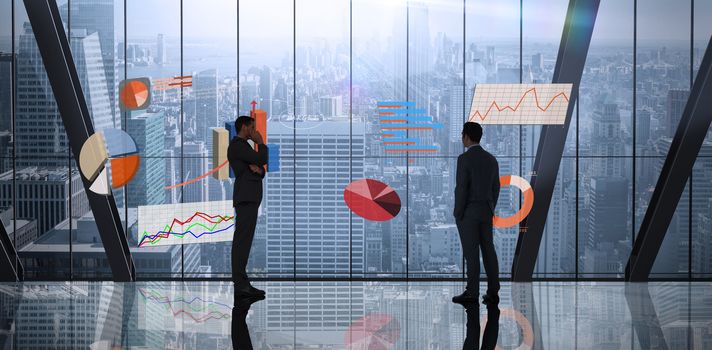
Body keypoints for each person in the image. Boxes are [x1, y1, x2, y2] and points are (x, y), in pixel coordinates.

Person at [452, 122, 500, 305]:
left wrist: (458, 212)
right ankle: (493, 292)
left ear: (466, 136)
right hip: (486, 212)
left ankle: (472, 292)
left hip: (468, 213)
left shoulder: (463, 159)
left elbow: (462, 188)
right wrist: (490, 207)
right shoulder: (491, 159)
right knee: (489, 251)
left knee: (471, 254)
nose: (461, 137)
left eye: (462, 134)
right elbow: (496, 187)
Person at [228, 115, 268, 297]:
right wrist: (261, 143)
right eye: (252, 128)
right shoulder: (238, 146)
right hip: (246, 198)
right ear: (244, 127)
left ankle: (243, 283)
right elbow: (261, 159)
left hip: (249, 198)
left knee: (244, 242)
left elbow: (260, 169)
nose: (254, 132)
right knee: (241, 243)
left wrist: (259, 169)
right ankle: (240, 284)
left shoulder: (244, 147)